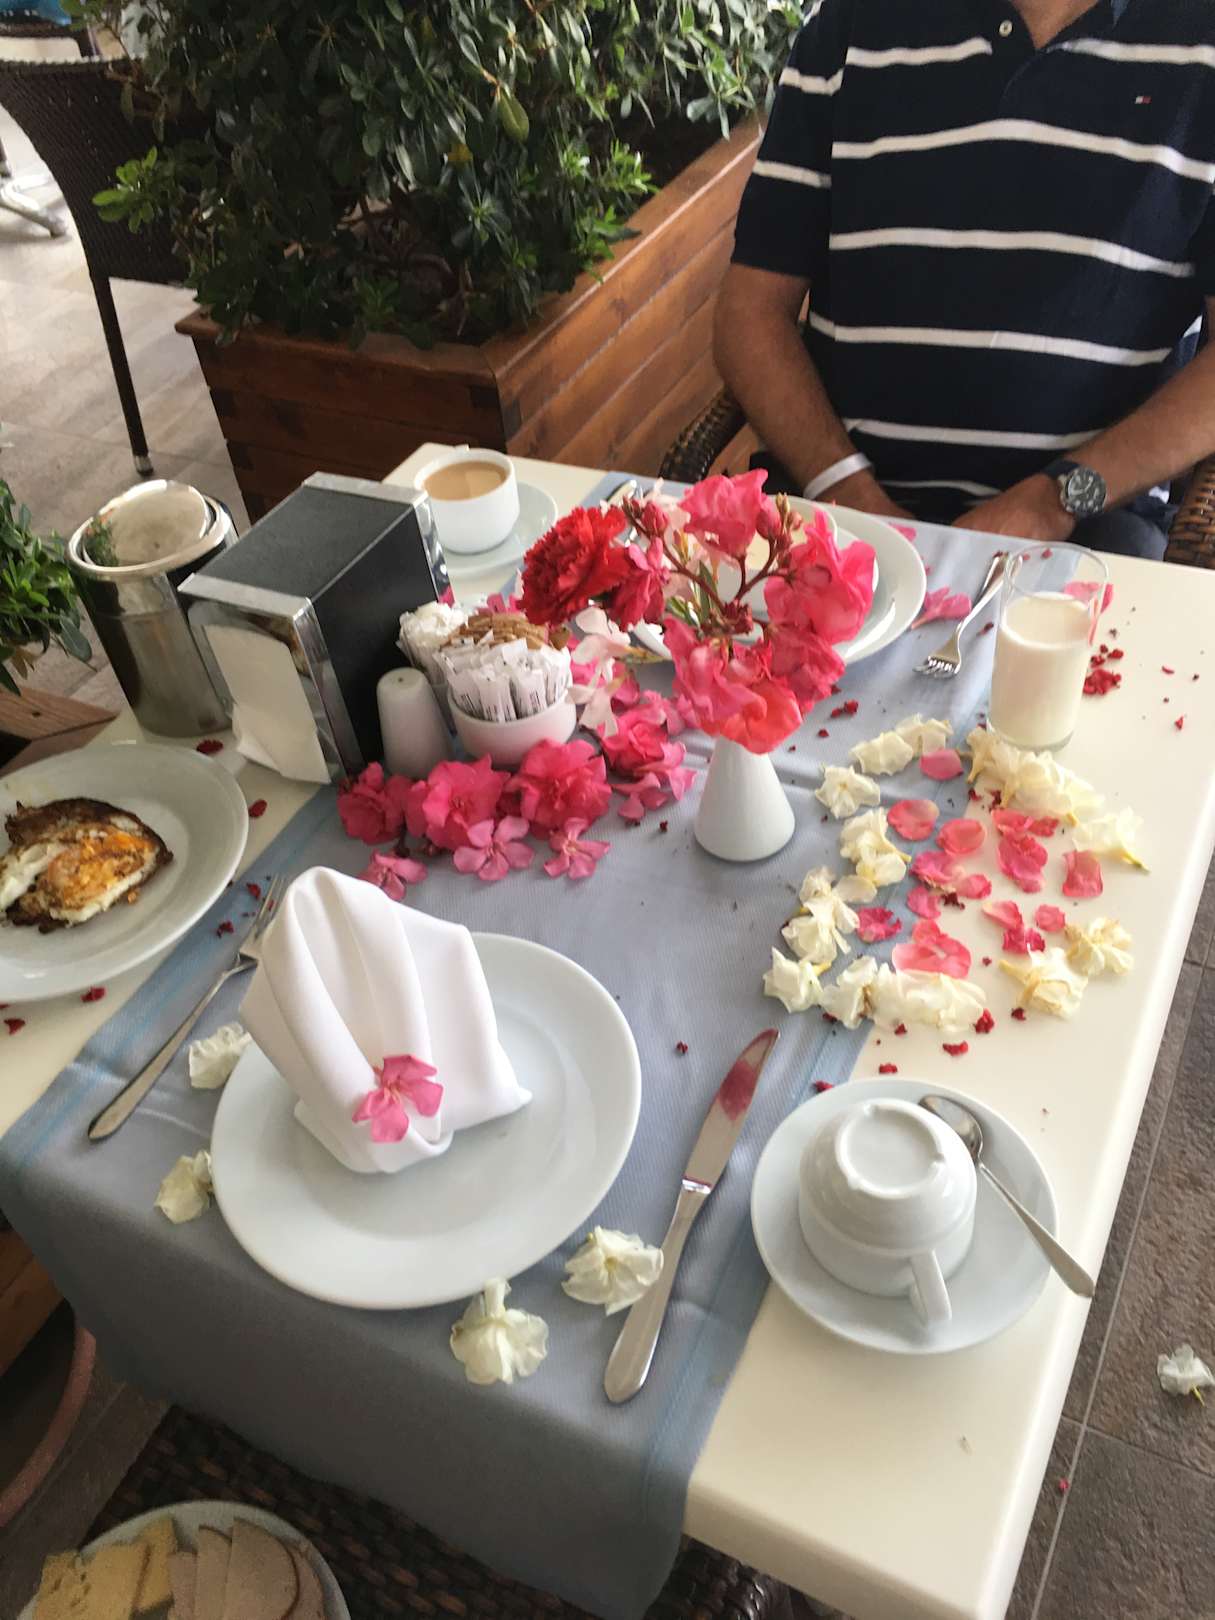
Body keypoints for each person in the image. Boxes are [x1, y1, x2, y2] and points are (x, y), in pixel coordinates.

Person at [715, 0, 1215, 559]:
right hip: (836, 506)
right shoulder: (848, 28)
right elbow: (750, 311)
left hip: (1088, 522)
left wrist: (1054, 501)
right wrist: (846, 489)